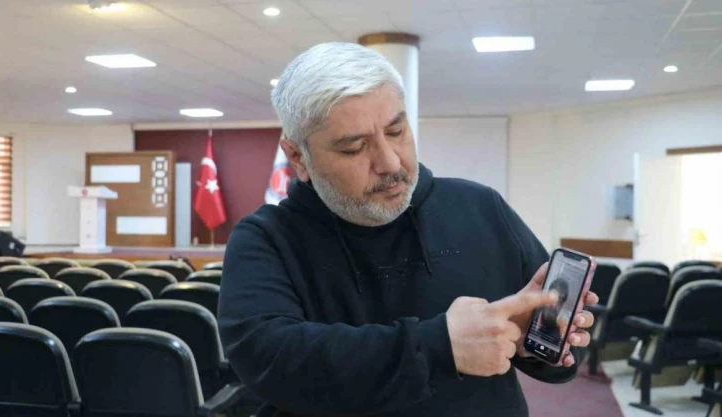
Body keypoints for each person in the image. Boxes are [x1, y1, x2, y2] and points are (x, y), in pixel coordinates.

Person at [219, 42, 599, 417]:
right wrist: (439, 348)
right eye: (354, 148)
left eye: (396, 131)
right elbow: (270, 360)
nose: (389, 162)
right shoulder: (265, 239)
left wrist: (532, 343)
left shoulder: (481, 207)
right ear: (298, 156)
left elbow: (561, 355)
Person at [535, 278, 571, 345]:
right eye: (553, 297)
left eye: (560, 300)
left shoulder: (556, 336)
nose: (554, 305)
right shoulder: (530, 314)